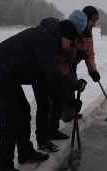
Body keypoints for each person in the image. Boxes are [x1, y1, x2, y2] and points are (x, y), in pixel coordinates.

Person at [0, 18, 86, 171]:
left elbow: (50, 83)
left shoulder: (51, 43)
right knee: (11, 120)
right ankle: (4, 168)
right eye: (70, 42)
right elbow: (52, 75)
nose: (69, 46)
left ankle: (25, 152)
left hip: (8, 76)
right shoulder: (45, 39)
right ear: (64, 36)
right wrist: (73, 85)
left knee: (24, 111)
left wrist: (70, 100)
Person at [32, 10, 87, 152]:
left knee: (57, 100)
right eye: (77, 31)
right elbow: (54, 68)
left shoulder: (63, 36)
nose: (79, 35)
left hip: (52, 71)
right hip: (45, 72)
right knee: (45, 105)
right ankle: (43, 139)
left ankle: (52, 131)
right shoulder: (52, 38)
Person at [45, 6, 101, 138]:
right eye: (92, 21)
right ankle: (51, 123)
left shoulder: (88, 33)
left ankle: (69, 115)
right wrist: (76, 53)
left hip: (72, 63)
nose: (94, 24)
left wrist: (92, 70)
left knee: (71, 87)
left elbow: (89, 53)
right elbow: (64, 49)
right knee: (59, 91)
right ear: (85, 20)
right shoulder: (70, 29)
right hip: (61, 62)